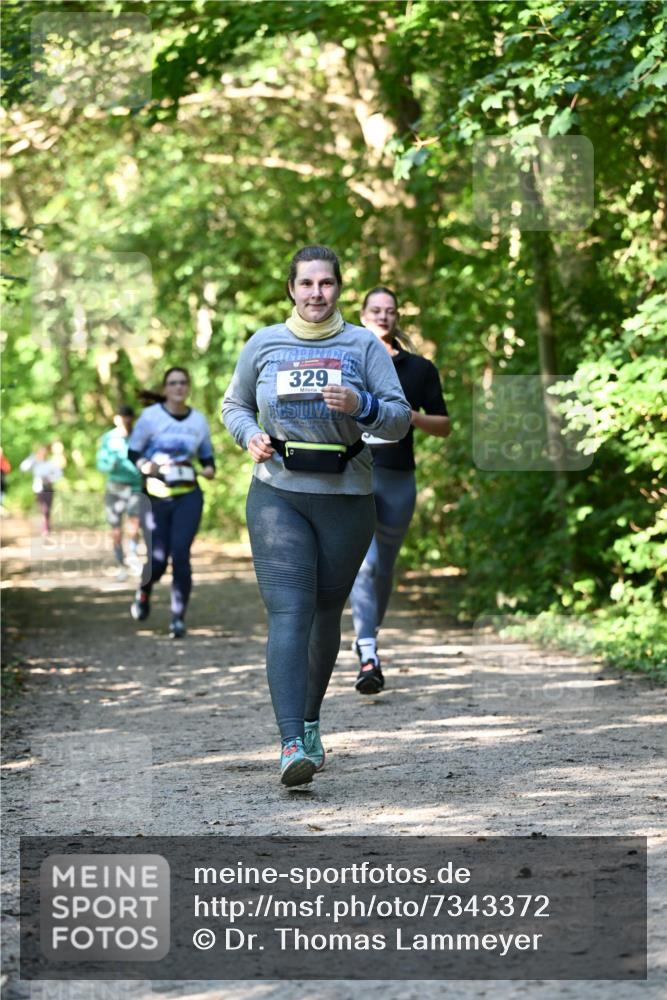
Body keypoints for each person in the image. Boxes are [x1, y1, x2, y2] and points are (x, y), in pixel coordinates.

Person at [222, 246, 411, 787]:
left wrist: (361, 406)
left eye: (326, 284)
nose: (315, 293)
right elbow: (233, 404)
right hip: (278, 492)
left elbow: (397, 420)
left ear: (338, 289)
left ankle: (308, 723)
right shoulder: (263, 343)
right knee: (290, 610)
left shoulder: (361, 346)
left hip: (348, 495)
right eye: (306, 284)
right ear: (291, 289)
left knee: (327, 609)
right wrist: (249, 434)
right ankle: (288, 744)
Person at [349, 287, 450, 694]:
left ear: (397, 317)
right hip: (353, 475)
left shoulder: (418, 369)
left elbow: (443, 425)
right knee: (365, 564)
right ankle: (368, 652)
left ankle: (371, 631)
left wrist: (408, 417)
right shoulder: (346, 359)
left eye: (390, 311)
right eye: (375, 310)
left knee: (384, 566)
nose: (382, 316)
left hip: (397, 477)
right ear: (362, 314)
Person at [127, 367, 215, 638]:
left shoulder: (198, 421)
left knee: (181, 555)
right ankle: (145, 588)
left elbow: (207, 457)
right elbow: (133, 452)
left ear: (188, 387)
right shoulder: (151, 417)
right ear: (165, 389)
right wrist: (146, 466)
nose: (178, 388)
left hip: (188, 495)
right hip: (155, 497)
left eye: (182, 383)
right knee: (157, 561)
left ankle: (178, 617)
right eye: (172, 383)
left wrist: (209, 469)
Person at [96, 405, 144, 581]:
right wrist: (110, 465)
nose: (124, 421)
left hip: (135, 487)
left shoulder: (139, 436)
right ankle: (121, 564)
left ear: (132, 419)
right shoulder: (108, 438)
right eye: (121, 417)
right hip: (114, 488)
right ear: (116, 419)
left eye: (128, 417)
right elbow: (100, 463)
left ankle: (133, 557)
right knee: (116, 530)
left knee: (134, 525)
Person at [20, 444, 63, 536]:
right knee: (44, 508)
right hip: (39, 488)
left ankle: (47, 524)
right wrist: (32, 457)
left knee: (48, 507)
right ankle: (45, 527)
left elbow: (59, 474)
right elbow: (23, 467)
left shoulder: (50, 463)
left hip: (49, 488)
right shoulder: (34, 463)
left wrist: (50, 478)